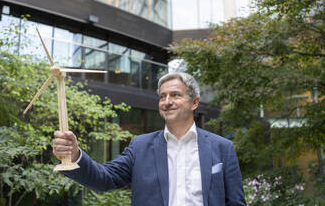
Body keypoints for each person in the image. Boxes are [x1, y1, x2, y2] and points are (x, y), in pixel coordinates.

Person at [53, 72, 246, 206]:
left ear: (194, 102)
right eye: (163, 96)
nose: (167, 102)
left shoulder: (222, 148)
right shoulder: (140, 146)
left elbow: (235, 203)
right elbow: (105, 179)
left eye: (175, 95)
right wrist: (75, 155)